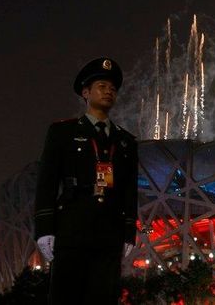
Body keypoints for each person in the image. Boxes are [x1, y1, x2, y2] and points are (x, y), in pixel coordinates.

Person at [34, 57, 139, 304]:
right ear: (85, 92)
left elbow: (129, 189)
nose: (109, 91)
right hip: (72, 229)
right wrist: (45, 229)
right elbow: (47, 181)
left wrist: (128, 231)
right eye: (102, 86)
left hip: (109, 234)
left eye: (113, 88)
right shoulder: (63, 133)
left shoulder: (125, 141)